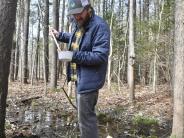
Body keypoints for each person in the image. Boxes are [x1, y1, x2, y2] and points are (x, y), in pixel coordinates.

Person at [51, 0, 110, 137]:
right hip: (80, 80)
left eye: (79, 13)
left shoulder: (99, 26)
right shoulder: (80, 23)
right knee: (84, 119)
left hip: (89, 83)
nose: (76, 17)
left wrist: (72, 55)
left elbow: (99, 56)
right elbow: (76, 38)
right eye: (73, 14)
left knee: (86, 122)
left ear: (87, 8)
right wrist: (60, 35)